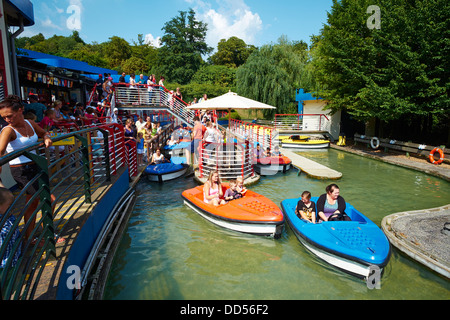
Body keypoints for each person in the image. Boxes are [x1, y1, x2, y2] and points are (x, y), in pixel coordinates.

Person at [0, 95, 56, 241]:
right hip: (21, 171)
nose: (7, 120)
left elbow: (43, 132)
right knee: (49, 200)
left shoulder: (30, 123)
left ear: (20, 110)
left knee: (32, 204)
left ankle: (30, 236)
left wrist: (46, 138)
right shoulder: (8, 130)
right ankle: (46, 234)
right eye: (4, 117)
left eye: (9, 116)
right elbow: (0, 151)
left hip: (35, 167)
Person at [0, 187, 21, 268]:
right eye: (9, 206)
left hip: (5, 264)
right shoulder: (10, 217)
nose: (11, 208)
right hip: (12, 259)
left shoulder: (6, 224)